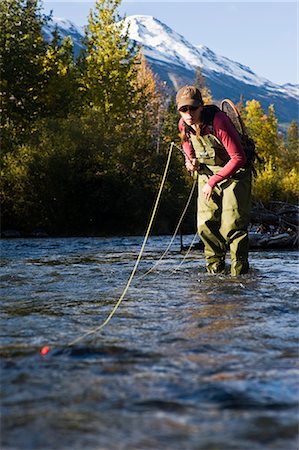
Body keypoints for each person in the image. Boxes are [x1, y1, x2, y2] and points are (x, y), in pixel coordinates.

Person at [176, 85, 252, 276]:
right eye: (184, 109)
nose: (188, 113)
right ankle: (215, 274)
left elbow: (238, 158)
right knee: (205, 226)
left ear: (201, 106)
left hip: (235, 174)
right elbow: (188, 150)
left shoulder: (218, 121)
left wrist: (213, 182)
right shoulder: (183, 125)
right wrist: (190, 162)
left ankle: (239, 276)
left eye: (193, 108)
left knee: (232, 226)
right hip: (206, 174)